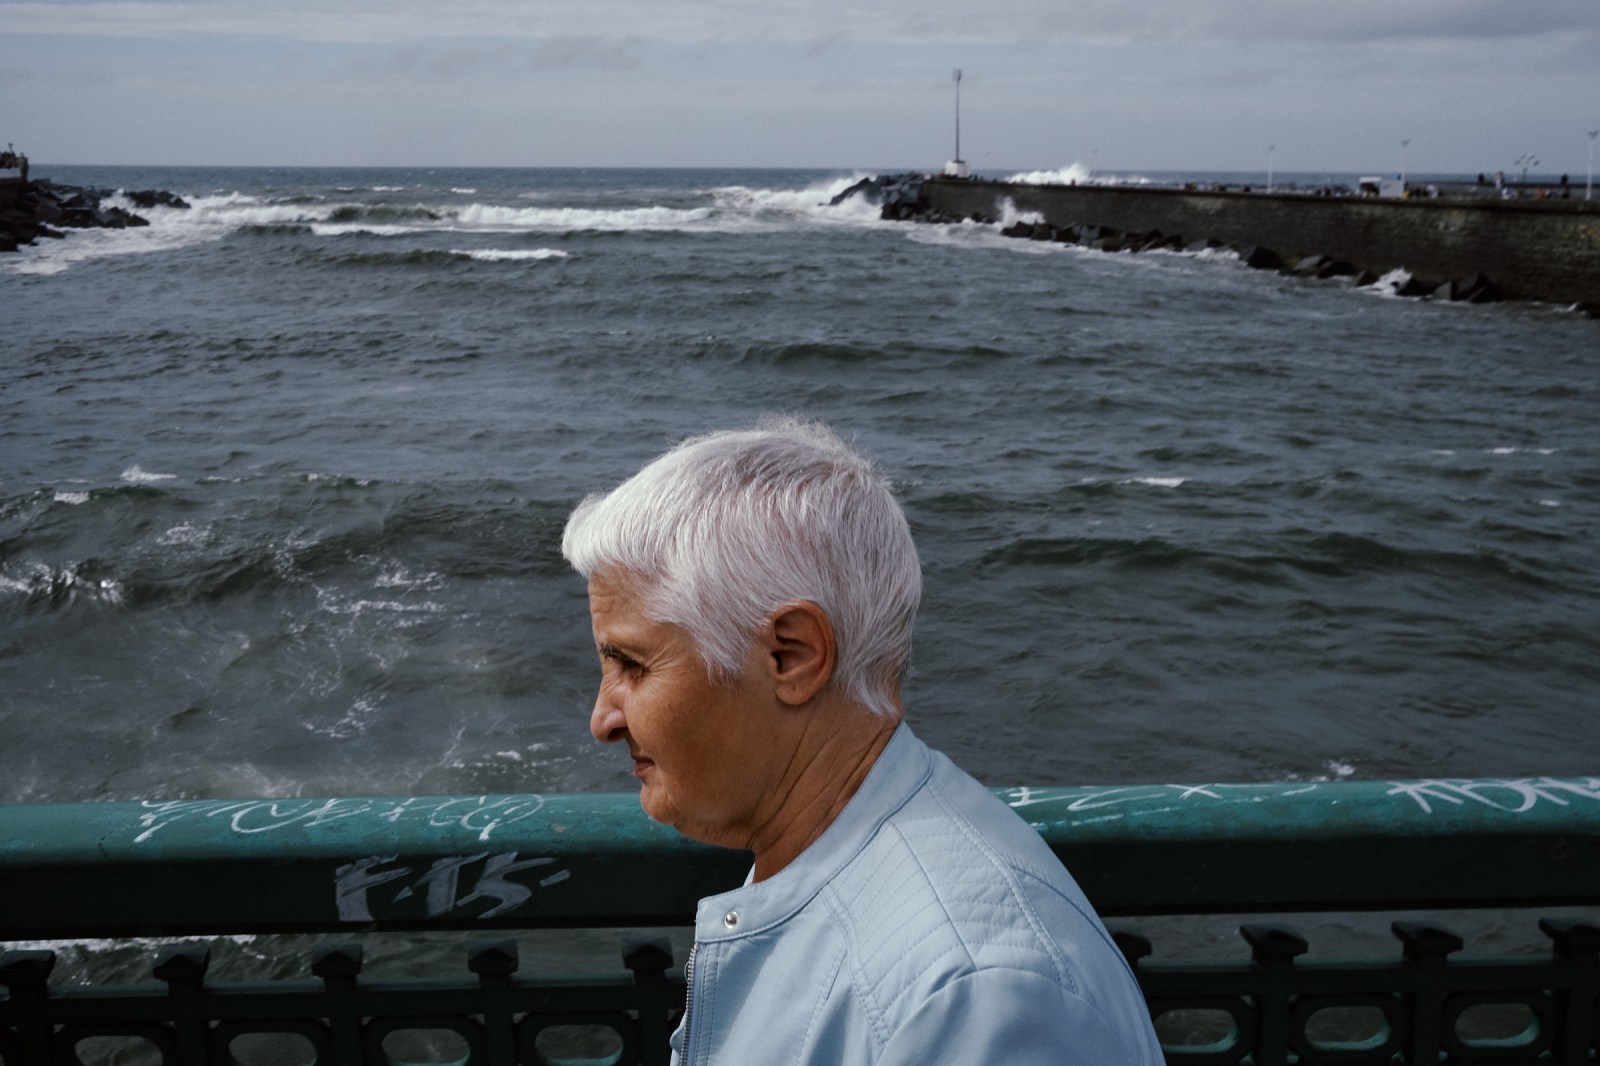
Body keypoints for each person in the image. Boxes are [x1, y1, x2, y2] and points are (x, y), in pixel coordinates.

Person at [561, 419, 1164, 1065]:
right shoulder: (840, 861)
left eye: (632, 664)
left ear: (792, 656)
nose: (603, 719)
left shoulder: (975, 996)